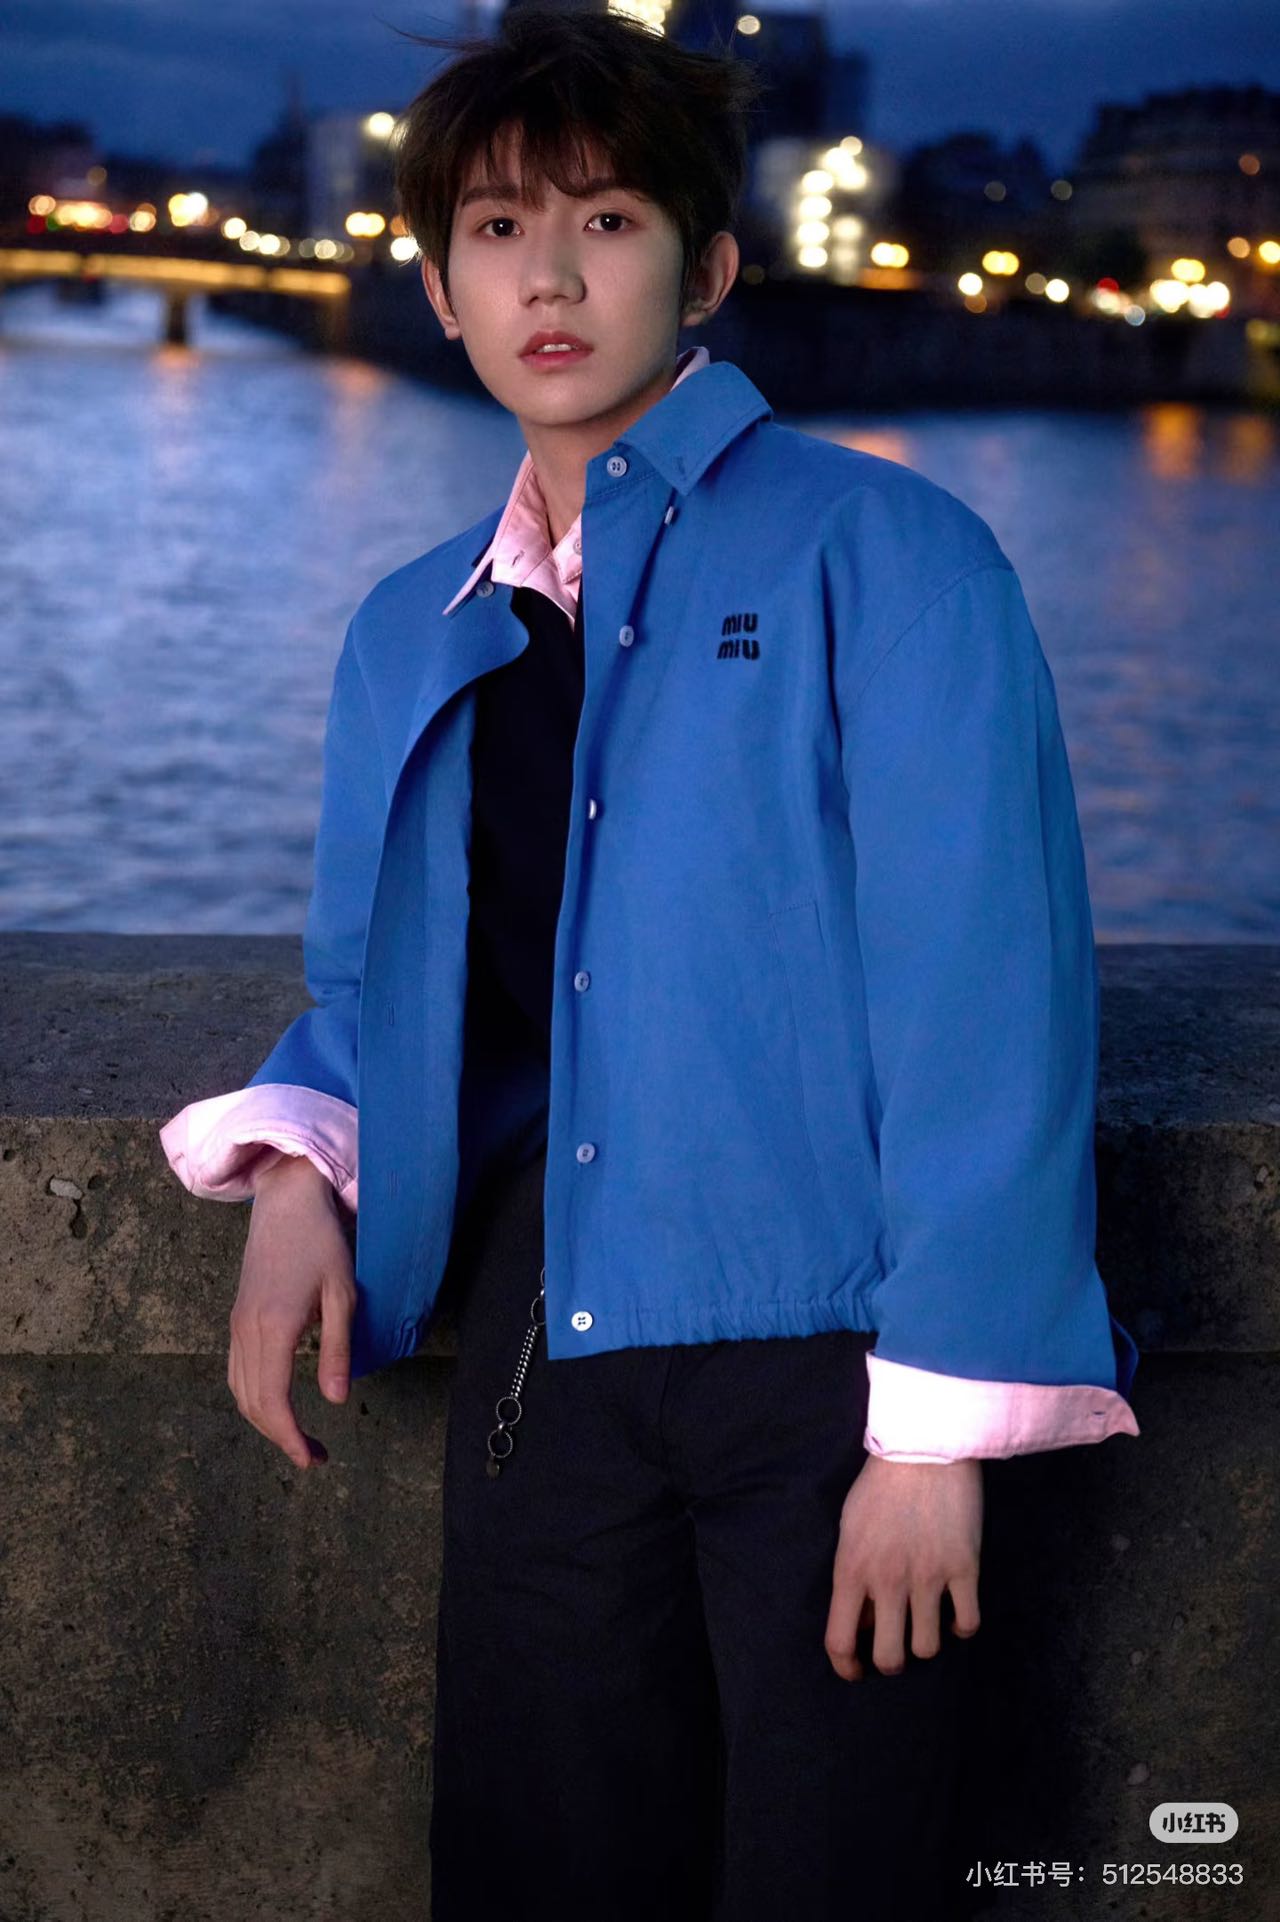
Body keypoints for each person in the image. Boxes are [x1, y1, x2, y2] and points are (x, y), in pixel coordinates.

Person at [158, 11, 1141, 1918]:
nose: (550, 275)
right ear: (438, 289)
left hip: (836, 1368)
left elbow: (992, 1013)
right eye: (498, 230)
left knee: (839, 1875)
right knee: (540, 1871)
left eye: (606, 222)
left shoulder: (893, 553)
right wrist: (296, 1168)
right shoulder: (411, 628)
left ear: (707, 272)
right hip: (547, 1361)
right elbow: (375, 981)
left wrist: (936, 1437)